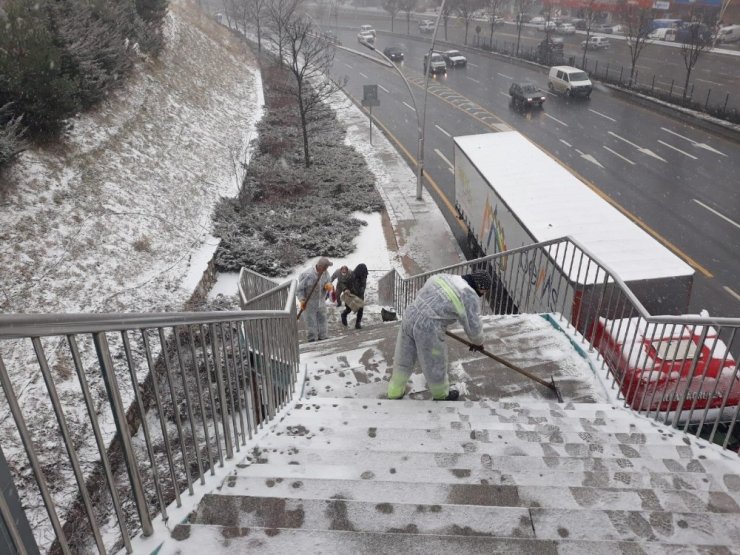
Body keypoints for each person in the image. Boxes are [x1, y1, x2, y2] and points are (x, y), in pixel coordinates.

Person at [387, 271, 491, 401]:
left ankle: (394, 392)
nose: (483, 295)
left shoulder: (443, 277)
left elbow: (426, 296)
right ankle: (441, 395)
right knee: (434, 363)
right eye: (484, 292)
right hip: (429, 329)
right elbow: (473, 325)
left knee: (403, 358)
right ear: (481, 287)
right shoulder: (469, 295)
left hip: (410, 316)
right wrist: (478, 342)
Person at [297, 257, 333, 342]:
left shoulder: (326, 273)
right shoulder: (308, 275)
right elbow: (300, 289)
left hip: (321, 300)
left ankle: (323, 336)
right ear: (320, 266)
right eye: (325, 267)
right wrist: (302, 300)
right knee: (311, 320)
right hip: (309, 302)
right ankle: (312, 338)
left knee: (323, 318)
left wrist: (328, 286)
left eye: (327, 267)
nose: (326, 269)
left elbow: (329, 282)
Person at [341, 263, 368, 329]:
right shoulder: (351, 275)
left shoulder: (364, 276)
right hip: (351, 296)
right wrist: (345, 289)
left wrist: (361, 291)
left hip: (360, 296)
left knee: (360, 309)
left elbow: (363, 286)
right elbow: (342, 283)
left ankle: (357, 324)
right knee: (349, 309)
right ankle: (343, 315)